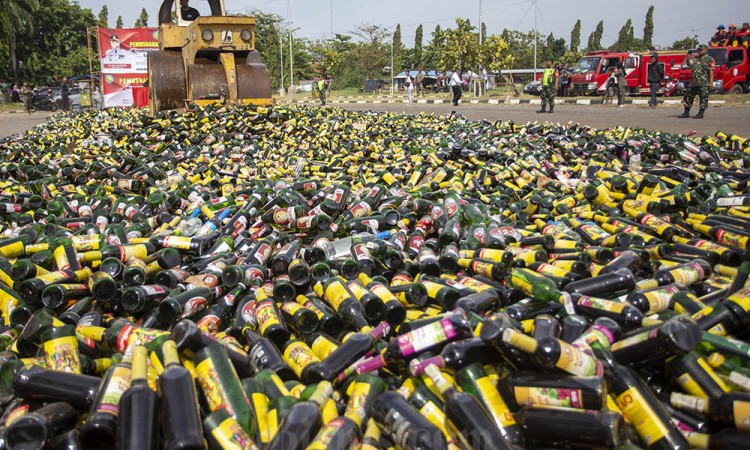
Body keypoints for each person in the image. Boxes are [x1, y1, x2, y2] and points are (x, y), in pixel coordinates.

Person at [679, 44, 715, 119]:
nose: (699, 51)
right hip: (693, 82)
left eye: (701, 49)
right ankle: (686, 112)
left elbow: (711, 72)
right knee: (688, 96)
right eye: (698, 49)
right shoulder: (695, 58)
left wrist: (711, 82)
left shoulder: (709, 59)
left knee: (703, 97)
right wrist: (688, 58)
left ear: (705, 50)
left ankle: (701, 113)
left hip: (703, 82)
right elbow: (689, 64)